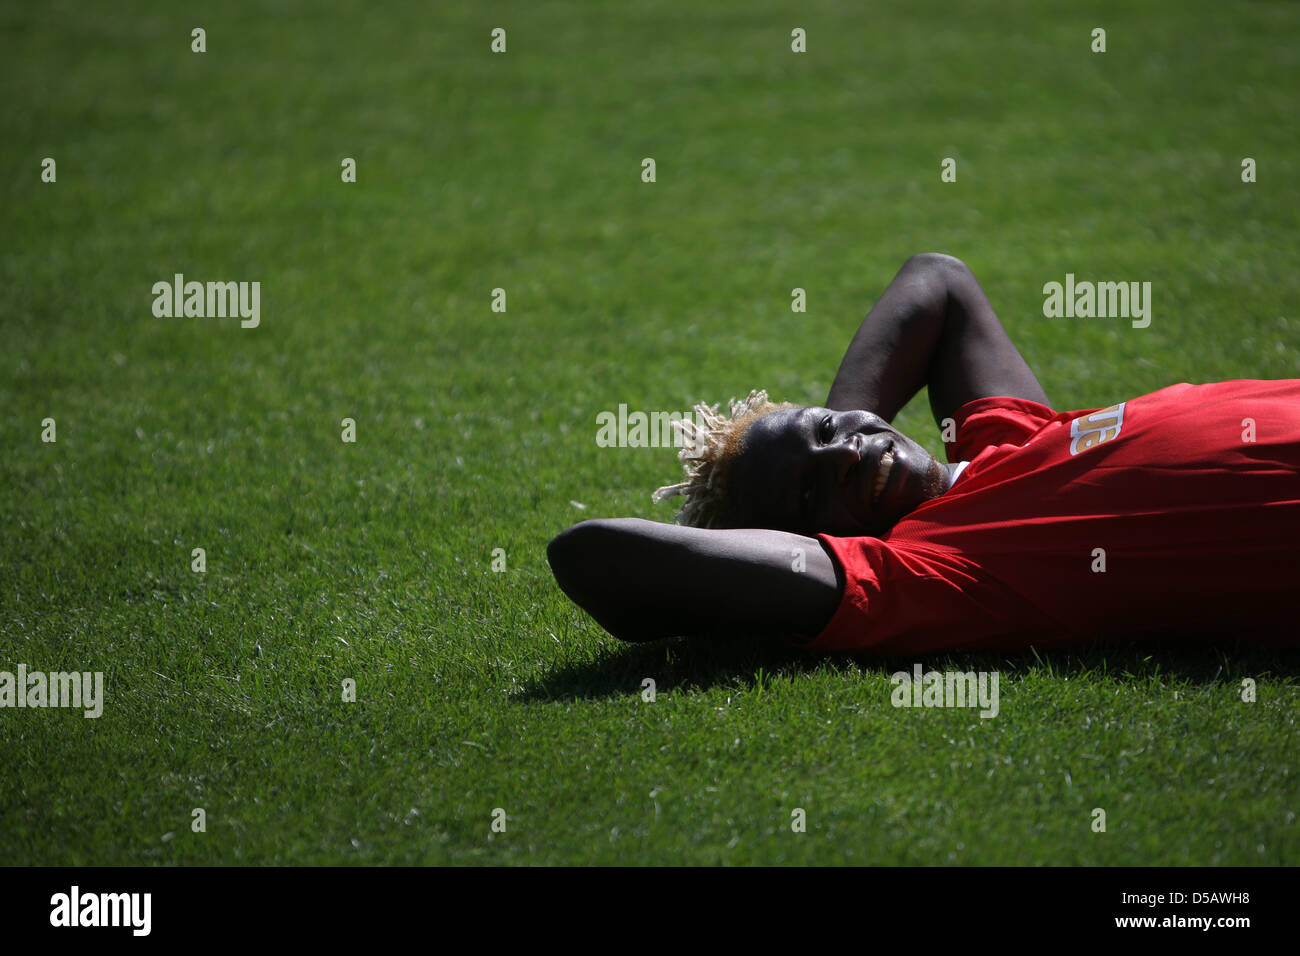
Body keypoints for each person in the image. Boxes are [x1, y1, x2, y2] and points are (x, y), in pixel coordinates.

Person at [547, 254, 1300, 653]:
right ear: (811, 539)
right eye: (813, 492)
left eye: (825, 430)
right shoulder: (935, 568)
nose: (842, 454)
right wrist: (778, 563)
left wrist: (852, 425)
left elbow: (938, 279)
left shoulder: (1006, 440)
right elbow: (592, 554)